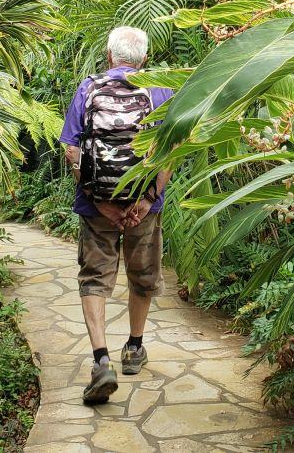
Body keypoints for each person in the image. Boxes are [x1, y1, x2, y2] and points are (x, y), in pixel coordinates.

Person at [59, 26, 173, 405]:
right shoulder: (160, 92)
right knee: (142, 276)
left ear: (110, 57)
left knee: (95, 277)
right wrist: (146, 200)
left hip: (97, 206)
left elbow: (73, 152)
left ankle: (101, 359)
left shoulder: (88, 89)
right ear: (145, 58)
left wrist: (100, 201)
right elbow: (170, 152)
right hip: (145, 207)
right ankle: (134, 348)